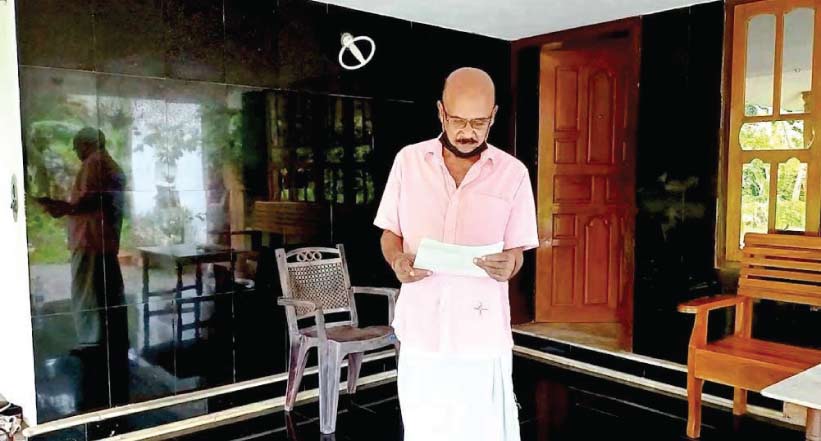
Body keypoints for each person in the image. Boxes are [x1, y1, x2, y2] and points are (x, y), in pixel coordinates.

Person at [374, 67, 539, 441]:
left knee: (482, 429)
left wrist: (510, 264)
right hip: (422, 327)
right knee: (425, 428)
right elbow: (390, 232)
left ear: (494, 116)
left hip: (481, 331)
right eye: (458, 120)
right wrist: (397, 260)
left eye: (479, 122)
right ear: (440, 112)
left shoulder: (513, 173)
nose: (468, 132)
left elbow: (517, 250)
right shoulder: (409, 162)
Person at [36, 127, 129, 406]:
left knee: (87, 293)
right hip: (102, 240)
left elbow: (91, 200)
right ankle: (105, 341)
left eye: (78, 146)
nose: (76, 152)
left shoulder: (95, 162)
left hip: (90, 239)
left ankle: (92, 343)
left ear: (87, 144)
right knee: (105, 292)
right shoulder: (108, 164)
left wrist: (63, 207)